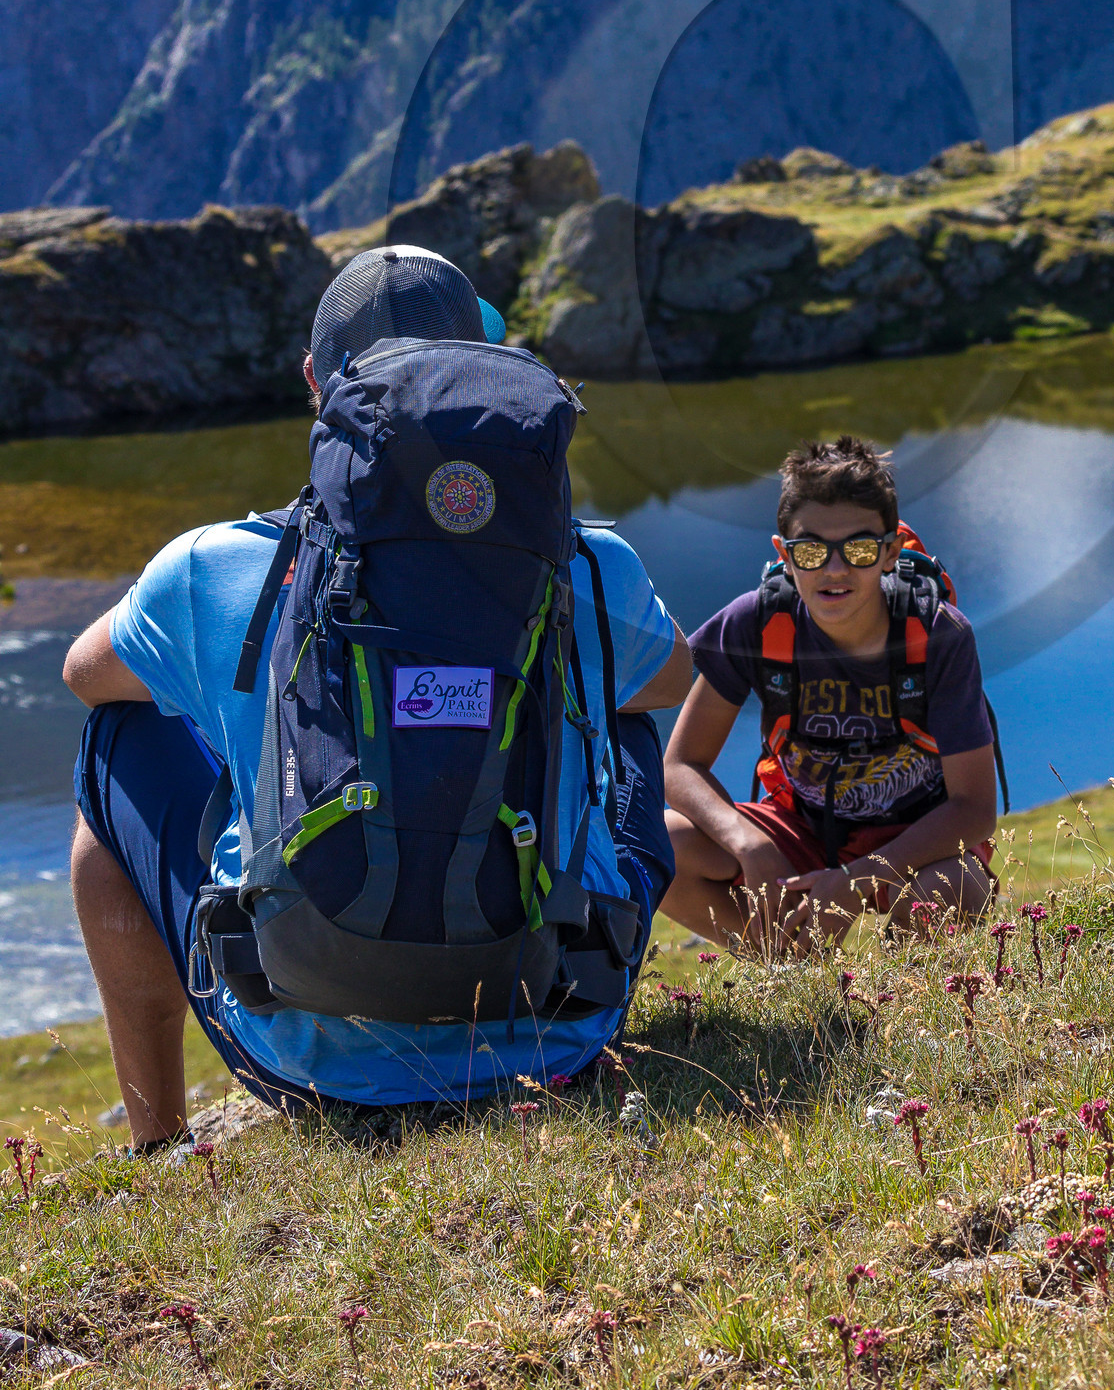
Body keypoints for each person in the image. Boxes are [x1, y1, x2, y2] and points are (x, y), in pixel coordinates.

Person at [64, 246, 689, 1147]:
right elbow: (671, 679)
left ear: (317, 383)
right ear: (480, 364)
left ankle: (158, 1140)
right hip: (558, 1038)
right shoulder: (589, 566)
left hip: (298, 1054)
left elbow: (85, 675)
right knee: (624, 716)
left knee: (111, 740)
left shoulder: (211, 566)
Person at [662, 435, 995, 952]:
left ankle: (907, 998)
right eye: (812, 551)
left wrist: (858, 878)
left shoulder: (937, 634)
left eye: (859, 549)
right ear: (785, 556)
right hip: (800, 828)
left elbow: (973, 809)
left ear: (888, 553)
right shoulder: (756, 621)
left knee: (952, 888)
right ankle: (796, 967)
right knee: (659, 841)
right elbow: (679, 766)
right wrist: (744, 841)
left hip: (916, 838)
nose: (835, 569)